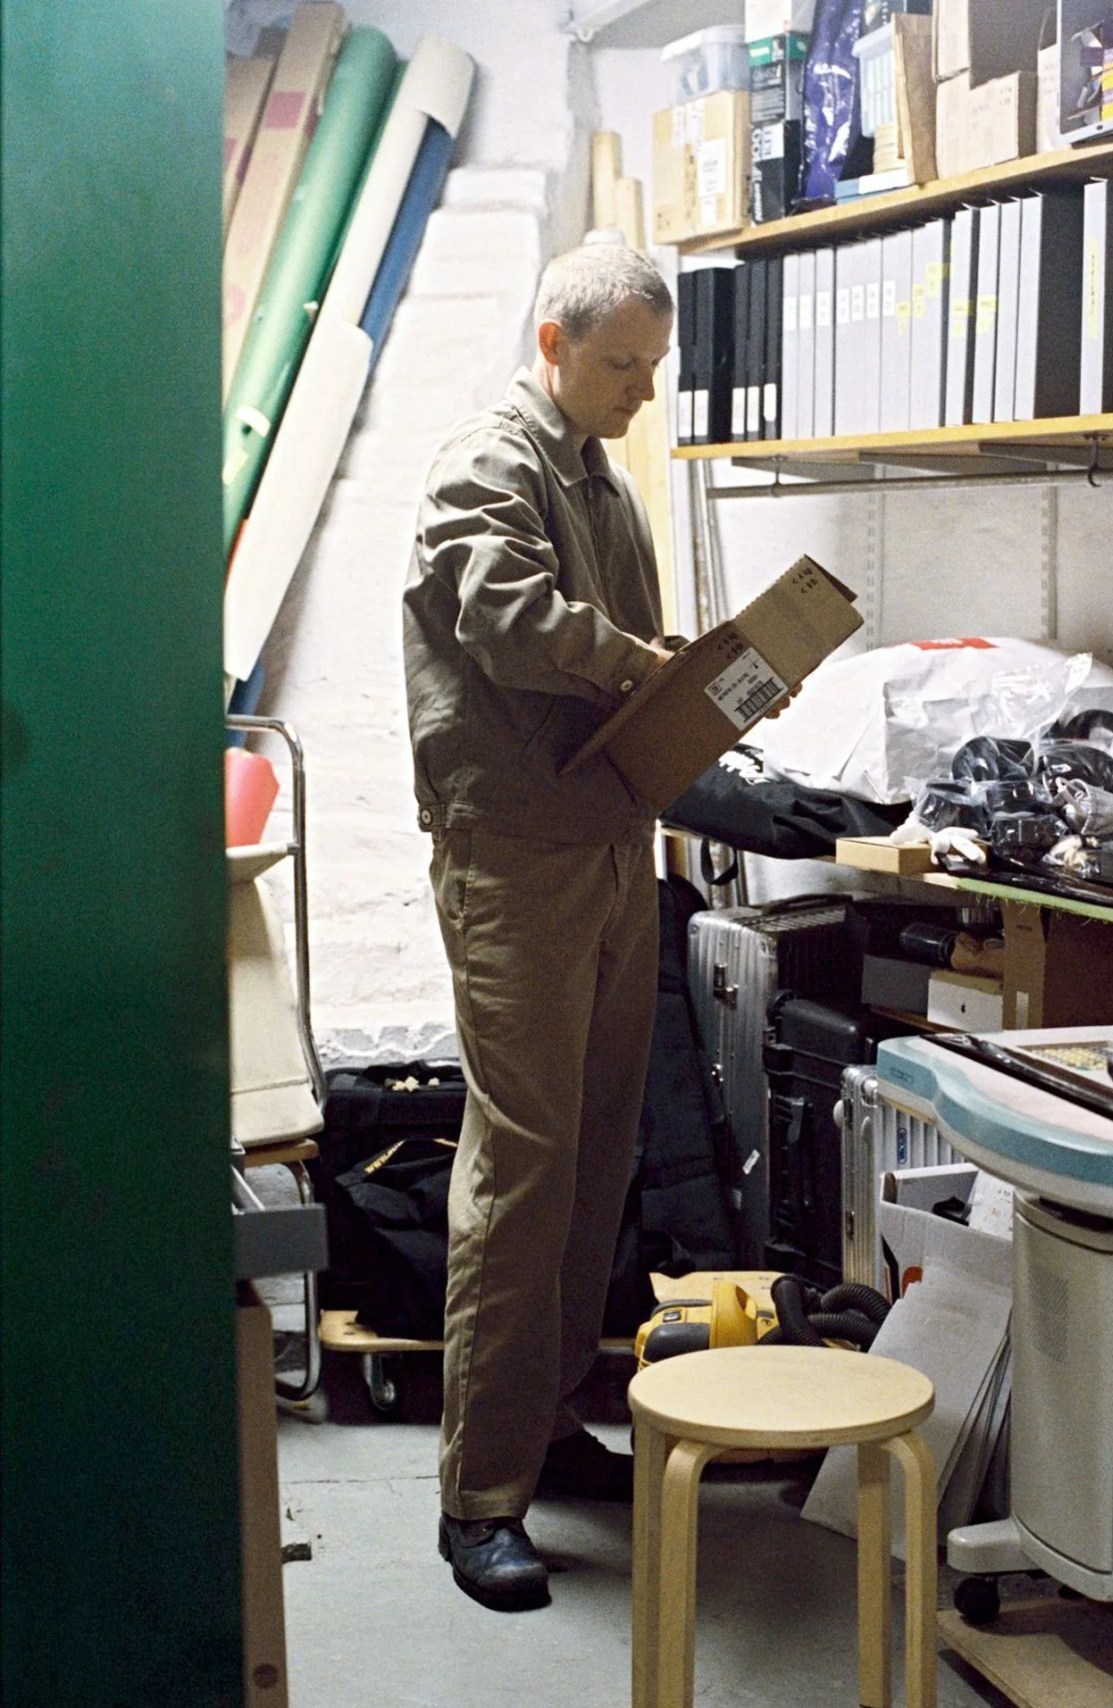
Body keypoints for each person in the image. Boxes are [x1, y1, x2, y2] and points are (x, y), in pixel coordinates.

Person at [402, 244, 676, 1613]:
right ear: (554, 339)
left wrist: (719, 697)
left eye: (653, 367)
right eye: (621, 364)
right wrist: (654, 666)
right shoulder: (490, 460)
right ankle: (480, 1498)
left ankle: (549, 1421)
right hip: (518, 861)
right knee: (523, 1171)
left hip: (612, 845)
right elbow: (508, 623)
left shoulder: (598, 472)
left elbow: (636, 663)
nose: (641, 391)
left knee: (598, 1157)